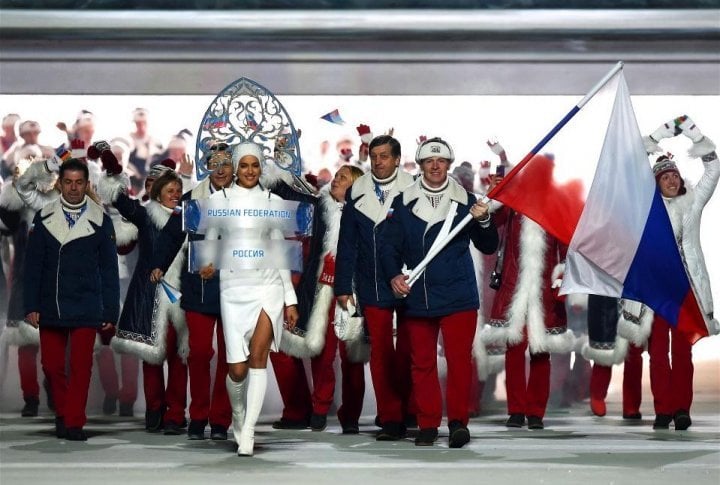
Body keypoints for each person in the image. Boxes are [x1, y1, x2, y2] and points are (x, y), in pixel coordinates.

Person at [382, 137, 498, 447]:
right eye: (429, 160)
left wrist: (485, 219)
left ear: (448, 164)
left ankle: (459, 423)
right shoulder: (401, 202)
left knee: (460, 361)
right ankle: (428, 425)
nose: (435, 165)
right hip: (416, 294)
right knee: (422, 363)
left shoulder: (468, 201)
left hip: (458, 294)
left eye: (441, 160)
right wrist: (394, 275)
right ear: (420, 165)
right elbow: (388, 247)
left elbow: (489, 246)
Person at [200, 142, 299, 456]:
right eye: (244, 165)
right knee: (237, 371)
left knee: (259, 359)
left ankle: (249, 433)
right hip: (233, 288)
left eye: (255, 165)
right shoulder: (219, 200)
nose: (250, 171)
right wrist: (208, 261)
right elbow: (212, 237)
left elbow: (278, 249)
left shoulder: (272, 201)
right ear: (236, 168)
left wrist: (290, 298)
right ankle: (239, 415)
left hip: (266, 285)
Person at [23, 158, 119, 441]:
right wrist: (31, 305)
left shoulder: (101, 219)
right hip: (51, 301)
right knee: (51, 366)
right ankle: (63, 412)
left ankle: (74, 421)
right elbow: (33, 266)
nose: (74, 188)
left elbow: (109, 270)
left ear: (87, 184)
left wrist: (110, 310)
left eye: (79, 182)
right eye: (68, 182)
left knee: (81, 366)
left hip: (88, 302)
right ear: (59, 183)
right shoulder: (44, 216)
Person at [98, 150, 189, 434]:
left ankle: (175, 414)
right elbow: (118, 198)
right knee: (151, 358)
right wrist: (110, 167)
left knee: (178, 358)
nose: (175, 194)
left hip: (180, 297)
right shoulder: (144, 215)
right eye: (169, 190)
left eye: (178, 190)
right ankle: (154, 410)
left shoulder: (189, 218)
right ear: (157, 192)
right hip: (149, 294)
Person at [637, 115, 719, 430]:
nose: (672, 180)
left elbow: (713, 168)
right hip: (657, 290)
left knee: (683, 353)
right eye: (664, 177)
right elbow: (632, 168)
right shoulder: (648, 207)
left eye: (675, 176)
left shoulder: (693, 202)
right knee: (658, 354)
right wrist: (660, 135)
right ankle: (663, 409)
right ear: (655, 183)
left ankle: (682, 409)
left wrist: (694, 134)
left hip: (686, 289)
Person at [483, 154, 574, 430]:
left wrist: (562, 277)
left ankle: (535, 411)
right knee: (514, 347)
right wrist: (497, 192)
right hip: (514, 285)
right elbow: (490, 219)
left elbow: (565, 246)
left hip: (545, 287)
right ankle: (516, 409)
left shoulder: (555, 205)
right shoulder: (512, 205)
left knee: (540, 350)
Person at [334, 134, 416, 440]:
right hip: (372, 280)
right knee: (381, 351)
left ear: (397, 158)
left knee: (408, 351)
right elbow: (347, 241)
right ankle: (391, 418)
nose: (378, 161)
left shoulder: (414, 186)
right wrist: (343, 284)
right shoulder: (358, 190)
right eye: (374, 156)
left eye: (384, 156)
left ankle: (408, 410)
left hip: (409, 278)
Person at [151, 142, 234, 441]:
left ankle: (221, 420)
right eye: (216, 162)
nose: (221, 168)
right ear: (207, 165)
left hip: (236, 288)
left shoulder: (246, 198)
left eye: (227, 162)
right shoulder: (191, 199)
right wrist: (159, 264)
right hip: (198, 287)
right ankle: (198, 415)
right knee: (199, 353)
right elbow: (172, 236)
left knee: (231, 357)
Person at [281, 164, 368, 434]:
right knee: (322, 353)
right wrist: (284, 165)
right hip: (321, 291)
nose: (336, 179)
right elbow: (290, 192)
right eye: (337, 175)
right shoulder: (319, 207)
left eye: (343, 177)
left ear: (355, 185)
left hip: (353, 293)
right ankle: (319, 409)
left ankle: (350, 416)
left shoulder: (366, 213)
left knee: (352, 357)